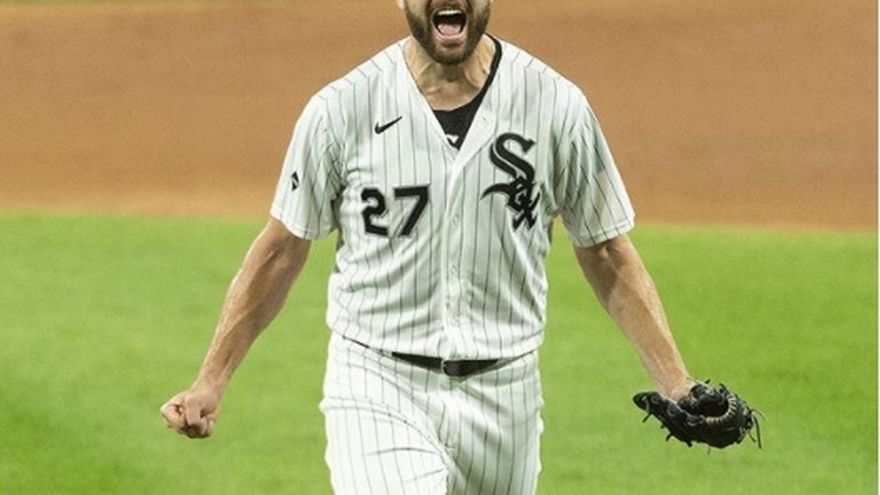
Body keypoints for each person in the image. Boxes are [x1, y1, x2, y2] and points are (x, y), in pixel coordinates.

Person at [161, 0, 695, 493]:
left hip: (507, 394)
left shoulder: (556, 106)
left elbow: (606, 250)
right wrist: (212, 380)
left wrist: (677, 386)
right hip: (378, 382)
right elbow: (282, 249)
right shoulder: (342, 109)